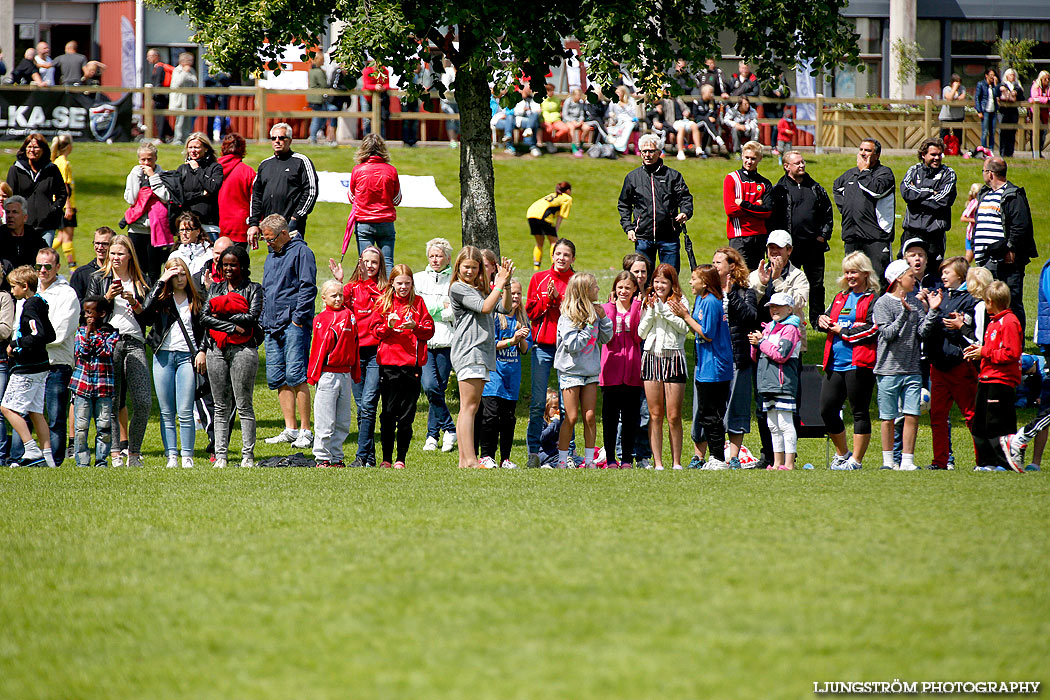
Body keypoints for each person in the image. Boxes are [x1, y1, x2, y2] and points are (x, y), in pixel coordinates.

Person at [87, 235, 151, 468]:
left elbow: (151, 316)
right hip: (108, 342)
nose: (115, 257)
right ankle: (115, 453)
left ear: (129, 256)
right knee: (111, 402)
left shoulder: (142, 281)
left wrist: (134, 303)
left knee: (143, 401)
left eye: (120, 254)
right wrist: (107, 298)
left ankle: (133, 452)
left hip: (134, 342)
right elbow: (89, 312)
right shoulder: (99, 279)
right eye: (112, 253)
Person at [449, 247, 514, 469]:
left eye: (474, 267)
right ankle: (469, 459)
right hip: (470, 350)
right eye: (466, 266)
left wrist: (504, 284)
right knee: (469, 406)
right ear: (458, 267)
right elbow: (486, 308)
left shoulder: (479, 289)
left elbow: (504, 308)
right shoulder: (459, 288)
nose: (470, 271)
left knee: (471, 406)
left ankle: (465, 460)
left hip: (480, 352)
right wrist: (498, 283)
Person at [200, 245, 262, 469]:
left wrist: (222, 312)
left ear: (243, 266)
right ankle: (221, 455)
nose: (227, 268)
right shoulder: (215, 288)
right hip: (215, 349)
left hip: (244, 350)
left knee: (244, 404)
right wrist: (232, 327)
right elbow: (204, 318)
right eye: (224, 264)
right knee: (219, 405)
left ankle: (248, 456)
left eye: (232, 265)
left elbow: (252, 317)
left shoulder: (254, 289)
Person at [259, 214, 317, 450]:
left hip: (293, 324)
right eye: (265, 239)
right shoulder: (271, 255)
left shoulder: (303, 252)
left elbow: (307, 287)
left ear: (284, 233)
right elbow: (266, 289)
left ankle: (306, 430)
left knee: (296, 375)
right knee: (278, 377)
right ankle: (290, 429)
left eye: (270, 239)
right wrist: (263, 318)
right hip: (271, 325)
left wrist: (297, 320)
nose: (267, 243)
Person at [818, 252, 880, 471]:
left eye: (854, 271)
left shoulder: (873, 299)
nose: (850, 276)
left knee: (859, 411)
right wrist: (821, 320)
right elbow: (826, 318)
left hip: (859, 363)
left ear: (865, 273)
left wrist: (843, 331)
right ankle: (843, 454)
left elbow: (873, 328)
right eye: (847, 272)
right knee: (827, 409)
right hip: (835, 361)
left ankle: (857, 461)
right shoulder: (840, 297)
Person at [143, 258, 204, 468]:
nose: (180, 278)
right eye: (174, 275)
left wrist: (201, 351)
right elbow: (145, 313)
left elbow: (204, 328)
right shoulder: (161, 299)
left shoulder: (195, 298)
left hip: (187, 356)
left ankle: (187, 455)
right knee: (166, 411)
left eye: (182, 274)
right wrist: (161, 281)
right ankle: (172, 456)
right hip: (163, 356)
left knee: (185, 410)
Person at [919, 256, 978, 471]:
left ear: (961, 275)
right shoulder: (941, 297)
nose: (942, 275)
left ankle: (983, 460)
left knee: (971, 414)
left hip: (959, 364)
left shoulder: (971, 299)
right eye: (942, 272)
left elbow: (960, 327)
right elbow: (933, 326)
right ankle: (940, 461)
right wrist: (929, 308)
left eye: (947, 272)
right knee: (938, 416)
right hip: (938, 365)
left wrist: (949, 319)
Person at [329, 246, 386, 467]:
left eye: (375, 262)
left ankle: (362, 456)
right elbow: (339, 307)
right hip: (354, 353)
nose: (370, 266)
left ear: (380, 265)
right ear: (360, 262)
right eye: (367, 261)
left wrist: (366, 284)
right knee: (362, 405)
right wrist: (341, 282)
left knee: (369, 404)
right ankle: (369, 457)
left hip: (375, 354)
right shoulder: (351, 288)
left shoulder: (384, 289)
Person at [372, 264, 434, 468]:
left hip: (411, 367)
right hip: (389, 366)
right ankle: (386, 458)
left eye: (407, 283)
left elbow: (429, 331)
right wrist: (388, 326)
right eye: (399, 283)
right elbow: (375, 332)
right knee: (388, 413)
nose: (403, 287)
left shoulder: (418, 303)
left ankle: (401, 459)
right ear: (392, 284)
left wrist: (415, 327)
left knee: (406, 416)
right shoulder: (384, 303)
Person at [524, 238, 576, 468]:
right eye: (558, 254)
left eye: (566, 254)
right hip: (543, 347)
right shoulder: (538, 278)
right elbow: (530, 313)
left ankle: (569, 454)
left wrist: (558, 299)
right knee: (537, 403)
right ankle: (533, 453)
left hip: (568, 348)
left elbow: (579, 311)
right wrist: (546, 301)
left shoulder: (576, 281)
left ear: (573, 258)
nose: (562, 258)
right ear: (552, 256)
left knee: (567, 406)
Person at [553, 273, 613, 469]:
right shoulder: (567, 316)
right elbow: (573, 345)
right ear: (584, 291)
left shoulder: (596, 313)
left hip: (590, 371)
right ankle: (562, 460)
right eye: (594, 286)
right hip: (570, 372)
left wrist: (603, 320)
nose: (598, 289)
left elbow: (605, 339)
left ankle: (589, 461)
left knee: (589, 417)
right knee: (571, 417)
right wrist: (588, 323)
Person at [675, 264, 731, 470]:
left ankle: (718, 458)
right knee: (706, 413)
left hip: (715, 366)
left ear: (705, 283)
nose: (690, 282)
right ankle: (715, 458)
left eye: (694, 279)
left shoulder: (711, 302)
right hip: (705, 364)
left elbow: (707, 333)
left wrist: (686, 316)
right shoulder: (701, 300)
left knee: (711, 414)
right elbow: (697, 330)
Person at [963, 281, 1022, 471]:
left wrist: (985, 353)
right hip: (986, 377)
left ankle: (1003, 463)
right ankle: (985, 462)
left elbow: (1011, 354)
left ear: (990, 301)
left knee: (997, 424)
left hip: (1001, 380)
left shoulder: (1010, 322)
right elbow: (992, 349)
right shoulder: (994, 321)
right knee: (980, 423)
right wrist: (979, 351)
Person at [769, 151, 833, 325]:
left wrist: (823, 236)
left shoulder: (815, 188)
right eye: (797, 163)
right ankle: (788, 318)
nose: (802, 165)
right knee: (788, 283)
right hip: (790, 249)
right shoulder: (779, 190)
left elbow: (828, 213)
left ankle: (817, 319)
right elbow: (772, 219)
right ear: (786, 166)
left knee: (817, 286)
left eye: (802, 162)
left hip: (814, 247)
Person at [873, 259, 926, 471]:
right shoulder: (882, 304)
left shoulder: (915, 301)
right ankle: (888, 461)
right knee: (888, 418)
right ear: (898, 279)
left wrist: (932, 311)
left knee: (912, 414)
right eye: (911, 276)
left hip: (912, 367)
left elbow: (922, 332)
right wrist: (905, 313)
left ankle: (907, 461)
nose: (915, 279)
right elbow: (887, 333)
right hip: (888, 368)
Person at [1, 265, 56, 467]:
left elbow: (38, 335)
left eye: (14, 286)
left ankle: (31, 448)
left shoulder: (31, 306)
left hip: (28, 368)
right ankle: (48, 457)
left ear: (25, 286)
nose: (11, 291)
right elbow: (51, 334)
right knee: (35, 411)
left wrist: (15, 344)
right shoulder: (40, 302)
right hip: (41, 366)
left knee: (6, 408)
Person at [973, 156, 1035, 330]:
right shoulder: (984, 194)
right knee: (988, 303)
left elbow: (1020, 225)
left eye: (984, 171)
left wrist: (1010, 248)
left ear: (991, 173)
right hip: (985, 260)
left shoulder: (1013, 194)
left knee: (1011, 302)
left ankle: (1016, 345)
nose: (983, 175)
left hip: (1005, 261)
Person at [637, 264, 689, 470]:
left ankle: (676, 462)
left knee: (674, 416)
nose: (659, 286)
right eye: (656, 281)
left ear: (672, 283)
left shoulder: (680, 301)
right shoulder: (648, 301)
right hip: (651, 357)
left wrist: (664, 311)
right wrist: (651, 311)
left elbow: (684, 329)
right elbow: (641, 333)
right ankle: (658, 463)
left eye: (664, 282)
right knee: (655, 414)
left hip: (674, 357)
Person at [32, 248, 80, 467]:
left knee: (56, 416)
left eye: (48, 266)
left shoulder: (66, 294)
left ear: (57, 267)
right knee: (26, 413)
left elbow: (60, 332)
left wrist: (30, 342)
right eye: (39, 266)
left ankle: (55, 460)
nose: (42, 270)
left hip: (56, 364)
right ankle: (28, 456)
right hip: (31, 364)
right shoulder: (31, 290)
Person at [712, 247, 759, 468]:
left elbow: (750, 316)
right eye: (712, 263)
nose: (714, 267)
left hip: (738, 358)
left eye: (718, 263)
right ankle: (712, 456)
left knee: (736, 407)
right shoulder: (709, 292)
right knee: (714, 408)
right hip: (715, 359)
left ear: (732, 266)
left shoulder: (744, 291)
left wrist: (731, 295)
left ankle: (733, 457)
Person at [617, 133, 693, 272]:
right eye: (644, 151)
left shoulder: (673, 176)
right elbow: (624, 204)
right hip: (643, 238)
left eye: (651, 151)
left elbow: (685, 198)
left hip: (669, 237)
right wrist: (628, 227)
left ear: (659, 152)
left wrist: (685, 213)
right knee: (642, 280)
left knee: (669, 278)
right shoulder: (632, 177)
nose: (647, 155)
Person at [307, 280, 361, 468]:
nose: (338, 299)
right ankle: (322, 456)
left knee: (343, 419)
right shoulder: (321, 319)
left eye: (340, 295)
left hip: (345, 373)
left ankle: (337, 456)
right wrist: (313, 375)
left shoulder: (349, 315)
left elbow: (355, 346)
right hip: (328, 374)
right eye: (333, 296)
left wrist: (355, 372)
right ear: (324, 298)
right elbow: (318, 349)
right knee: (325, 418)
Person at [479, 280, 531, 469]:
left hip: (512, 377)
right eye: (512, 293)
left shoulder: (522, 320)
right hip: (494, 376)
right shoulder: (494, 318)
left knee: (508, 419)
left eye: (518, 293)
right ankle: (486, 455)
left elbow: (525, 350)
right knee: (490, 416)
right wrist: (511, 340)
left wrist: (521, 339)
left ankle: (505, 458)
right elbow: (490, 346)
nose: (515, 297)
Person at [749, 292, 803, 470]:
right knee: (772, 425)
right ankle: (777, 462)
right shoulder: (769, 327)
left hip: (783, 383)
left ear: (789, 309)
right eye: (772, 307)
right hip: (767, 384)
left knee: (785, 424)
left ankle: (789, 463)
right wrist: (754, 344)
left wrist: (761, 342)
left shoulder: (790, 329)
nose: (774, 310)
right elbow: (758, 356)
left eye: (778, 306)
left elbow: (781, 354)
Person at [834, 138, 896, 285]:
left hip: (876, 237)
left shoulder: (885, 174)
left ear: (877, 154)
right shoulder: (849, 175)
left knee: (878, 280)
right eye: (861, 149)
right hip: (852, 236)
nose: (863, 153)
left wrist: (864, 171)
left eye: (868, 150)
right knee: (853, 280)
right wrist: (848, 209)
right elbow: (837, 188)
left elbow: (875, 190)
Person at [415, 238, 456, 453]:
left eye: (439, 256)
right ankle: (450, 428)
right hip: (424, 340)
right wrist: (441, 307)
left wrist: (433, 310)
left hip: (446, 341)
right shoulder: (418, 279)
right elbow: (417, 307)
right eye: (431, 255)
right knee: (430, 386)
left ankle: (432, 436)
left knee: (438, 389)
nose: (435, 259)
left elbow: (454, 312)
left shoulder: (454, 280)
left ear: (448, 257)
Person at [247, 123, 319, 244]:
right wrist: (254, 223)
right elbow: (256, 196)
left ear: (289, 141)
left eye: (281, 138)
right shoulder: (265, 165)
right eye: (274, 138)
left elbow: (311, 191)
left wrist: (296, 217)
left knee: (292, 259)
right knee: (274, 261)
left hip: (292, 224)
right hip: (270, 226)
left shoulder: (301, 161)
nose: (277, 141)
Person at [600, 271, 642, 469]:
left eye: (628, 287)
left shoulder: (639, 309)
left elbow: (636, 336)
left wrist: (635, 307)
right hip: (610, 371)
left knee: (630, 418)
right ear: (614, 289)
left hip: (633, 370)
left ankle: (626, 458)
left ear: (635, 289)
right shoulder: (606, 309)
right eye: (620, 287)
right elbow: (606, 338)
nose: (623, 291)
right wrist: (613, 310)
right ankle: (610, 459)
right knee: (609, 418)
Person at [71, 296, 118, 467]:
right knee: (81, 427)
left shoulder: (111, 332)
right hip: (82, 386)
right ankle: (82, 461)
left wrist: (95, 333)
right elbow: (81, 351)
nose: (87, 316)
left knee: (104, 426)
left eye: (91, 312)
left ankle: (101, 460)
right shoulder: (80, 331)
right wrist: (89, 331)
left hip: (103, 387)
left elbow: (105, 351)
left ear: (102, 313)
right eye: (86, 313)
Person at [899, 137, 957, 265]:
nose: (937, 158)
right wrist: (930, 192)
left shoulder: (948, 174)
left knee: (933, 274)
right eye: (933, 154)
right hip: (911, 231)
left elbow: (943, 201)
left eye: (939, 154)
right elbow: (906, 193)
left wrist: (917, 197)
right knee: (906, 270)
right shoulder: (913, 171)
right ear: (923, 155)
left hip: (934, 234)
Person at [348, 134, 401, 272]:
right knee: (388, 262)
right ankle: (389, 293)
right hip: (386, 221)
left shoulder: (358, 170)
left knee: (366, 264)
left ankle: (367, 293)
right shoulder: (391, 170)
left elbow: (352, 197)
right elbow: (397, 199)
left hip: (364, 222)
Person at [123, 141, 173, 283]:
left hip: (155, 230)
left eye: (149, 159)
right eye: (143, 159)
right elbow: (132, 200)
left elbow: (165, 198)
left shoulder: (162, 175)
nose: (146, 162)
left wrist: (153, 177)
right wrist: (135, 177)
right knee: (137, 269)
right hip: (136, 229)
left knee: (153, 271)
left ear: (155, 158)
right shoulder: (134, 174)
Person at [6, 133, 66, 247]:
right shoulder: (15, 170)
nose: (32, 150)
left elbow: (62, 193)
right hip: (22, 226)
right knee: (24, 262)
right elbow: (10, 196)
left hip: (46, 226)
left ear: (43, 150)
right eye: (29, 147)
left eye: (36, 147)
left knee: (43, 261)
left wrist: (53, 209)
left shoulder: (52, 170)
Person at [722, 139, 772, 270]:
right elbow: (731, 211)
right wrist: (756, 205)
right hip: (739, 236)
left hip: (759, 236)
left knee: (757, 278)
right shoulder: (732, 179)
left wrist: (744, 204)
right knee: (738, 277)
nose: (749, 162)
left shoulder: (764, 183)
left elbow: (767, 212)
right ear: (742, 156)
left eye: (753, 158)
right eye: (747, 157)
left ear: (760, 159)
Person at [169, 133, 224, 240]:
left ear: (206, 148)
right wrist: (201, 194)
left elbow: (212, 187)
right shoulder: (182, 169)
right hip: (187, 225)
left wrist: (197, 170)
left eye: (196, 147)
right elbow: (180, 197)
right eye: (190, 147)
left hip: (209, 225)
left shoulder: (215, 167)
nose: (193, 150)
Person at [216, 134, 255, 246]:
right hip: (240, 227)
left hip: (217, 225)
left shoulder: (212, 169)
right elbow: (255, 200)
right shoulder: (248, 172)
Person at [526, 183, 573, 269]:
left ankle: (536, 267)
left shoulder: (553, 195)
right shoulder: (567, 198)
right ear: (568, 190)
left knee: (539, 243)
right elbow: (561, 215)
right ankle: (554, 265)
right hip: (543, 216)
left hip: (531, 213)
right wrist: (556, 229)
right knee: (554, 241)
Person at [50, 134, 77, 270]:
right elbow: (64, 188)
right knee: (67, 237)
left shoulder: (57, 161)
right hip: (64, 205)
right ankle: (73, 269)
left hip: (59, 205)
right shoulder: (63, 163)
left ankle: (40, 251)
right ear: (69, 146)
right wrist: (68, 207)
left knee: (60, 238)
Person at [0, 196, 48, 270]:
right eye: (8, 212)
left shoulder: (34, 237)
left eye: (15, 212)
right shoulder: (1, 234)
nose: (10, 216)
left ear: (25, 217)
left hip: (30, 278)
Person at [168, 212, 213, 276]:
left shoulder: (209, 254)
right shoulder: (174, 255)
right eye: (181, 230)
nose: (184, 233)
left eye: (188, 230)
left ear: (198, 231)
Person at [307, 53, 337, 145]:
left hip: (312, 96)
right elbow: (323, 84)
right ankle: (312, 137)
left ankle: (313, 136)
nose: (324, 61)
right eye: (323, 59)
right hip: (318, 98)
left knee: (317, 117)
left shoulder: (311, 70)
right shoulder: (318, 72)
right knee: (317, 118)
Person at [169, 52, 198, 145]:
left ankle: (187, 138)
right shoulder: (177, 70)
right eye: (189, 60)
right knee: (180, 120)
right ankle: (178, 139)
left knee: (189, 120)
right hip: (180, 99)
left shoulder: (192, 70)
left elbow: (195, 82)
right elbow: (178, 83)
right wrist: (184, 72)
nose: (191, 62)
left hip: (190, 98)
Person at [999, 68, 1024, 158]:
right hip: (1004, 111)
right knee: (1003, 132)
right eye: (1010, 75)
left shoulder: (1017, 86)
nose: (1012, 76)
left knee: (1012, 132)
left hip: (1013, 111)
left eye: (1013, 75)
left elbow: (1022, 97)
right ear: (1006, 76)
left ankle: (1010, 152)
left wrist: (1016, 93)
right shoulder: (1002, 85)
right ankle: (1002, 151)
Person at [974, 68, 999, 153]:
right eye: (991, 75)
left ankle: (991, 149)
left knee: (992, 131)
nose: (992, 77)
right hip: (985, 110)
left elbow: (997, 95)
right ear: (986, 75)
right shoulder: (981, 84)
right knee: (985, 131)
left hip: (993, 110)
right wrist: (979, 111)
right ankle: (984, 149)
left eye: (993, 75)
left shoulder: (993, 86)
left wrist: (996, 85)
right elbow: (977, 98)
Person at [938, 74, 966, 143]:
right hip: (946, 116)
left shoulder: (962, 88)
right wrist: (954, 89)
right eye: (956, 82)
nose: (958, 84)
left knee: (958, 135)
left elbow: (962, 98)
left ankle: (957, 150)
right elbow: (949, 98)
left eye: (959, 82)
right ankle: (942, 150)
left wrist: (954, 98)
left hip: (958, 116)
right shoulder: (947, 89)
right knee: (944, 135)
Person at [959, 183, 981, 263]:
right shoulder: (974, 203)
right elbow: (963, 217)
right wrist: (975, 220)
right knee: (969, 258)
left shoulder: (980, 202)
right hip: (971, 235)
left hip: (978, 234)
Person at [1031, 71, 1050, 150]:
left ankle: (1040, 149)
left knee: (1043, 132)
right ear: (1041, 79)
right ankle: (1035, 150)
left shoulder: (1048, 88)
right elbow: (1035, 97)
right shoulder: (1035, 86)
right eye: (1045, 79)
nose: (1047, 81)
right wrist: (1046, 99)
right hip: (1036, 112)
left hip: (1045, 112)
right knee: (1036, 131)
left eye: (1048, 79)